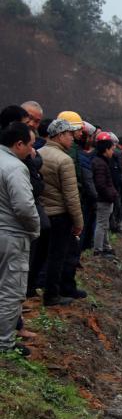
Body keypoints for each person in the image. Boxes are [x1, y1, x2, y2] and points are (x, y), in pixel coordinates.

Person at [0, 122, 41, 355]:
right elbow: (25, 207)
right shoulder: (15, 168)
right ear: (18, 144)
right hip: (11, 236)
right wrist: (35, 228)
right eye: (30, 145)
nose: (32, 151)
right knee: (11, 291)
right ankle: (5, 345)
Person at [37, 119, 84, 307]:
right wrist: (78, 222)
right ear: (59, 135)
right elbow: (71, 196)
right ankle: (52, 295)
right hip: (60, 215)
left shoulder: (37, 154)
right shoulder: (64, 160)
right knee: (57, 257)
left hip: (41, 213)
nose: (72, 138)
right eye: (70, 135)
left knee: (39, 255)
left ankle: (31, 289)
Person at [90, 133, 117, 256]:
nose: (113, 152)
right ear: (106, 149)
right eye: (111, 149)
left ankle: (105, 246)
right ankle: (98, 250)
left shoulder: (101, 161)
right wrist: (111, 194)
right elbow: (101, 185)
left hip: (105, 199)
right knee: (101, 224)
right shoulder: (100, 163)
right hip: (103, 200)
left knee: (104, 224)